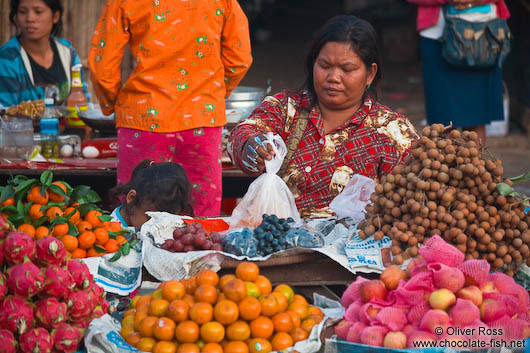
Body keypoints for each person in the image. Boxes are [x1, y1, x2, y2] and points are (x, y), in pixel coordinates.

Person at [228, 15, 418, 219]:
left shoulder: (391, 131)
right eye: (325, 66)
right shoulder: (286, 108)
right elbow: (245, 132)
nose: (333, 77)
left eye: (347, 69)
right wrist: (250, 146)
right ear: (313, 64)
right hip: (276, 239)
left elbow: (410, 198)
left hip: (352, 246)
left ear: (370, 74)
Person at [89, 0, 253, 217]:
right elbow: (239, 58)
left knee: (136, 210)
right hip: (202, 118)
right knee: (201, 214)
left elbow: (103, 63)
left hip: (144, 115)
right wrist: (210, 97)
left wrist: (113, 103)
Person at [407, 0, 510, 145]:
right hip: (436, 37)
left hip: (483, 37)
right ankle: (445, 166)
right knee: (442, 122)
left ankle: (474, 165)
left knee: (477, 118)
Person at [0, 0, 89, 108]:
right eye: (22, 12)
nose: (29, 19)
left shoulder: (68, 53)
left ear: (55, 16)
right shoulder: (8, 58)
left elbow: (83, 102)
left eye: (38, 12)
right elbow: (4, 114)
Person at [109, 159, 194, 232]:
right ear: (132, 198)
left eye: (168, 219)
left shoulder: (139, 217)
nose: (158, 227)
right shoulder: (112, 231)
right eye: (151, 218)